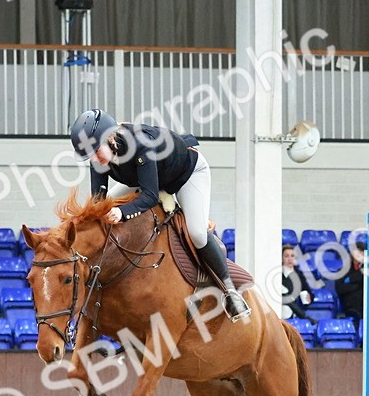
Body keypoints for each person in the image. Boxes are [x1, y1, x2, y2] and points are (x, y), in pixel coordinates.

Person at [69, 108, 251, 323]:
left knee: (197, 233)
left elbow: (149, 195)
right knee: (107, 203)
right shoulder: (98, 159)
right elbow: (98, 202)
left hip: (186, 173)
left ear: (110, 139)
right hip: (146, 177)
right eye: (90, 156)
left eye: (97, 151)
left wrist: (121, 212)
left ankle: (230, 292)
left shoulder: (140, 144)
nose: (96, 159)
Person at [333, 239, 365, 322]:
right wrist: (358, 284)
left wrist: (351, 281)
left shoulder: (367, 270)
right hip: (350, 304)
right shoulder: (343, 270)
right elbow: (340, 289)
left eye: (362, 252)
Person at [280, 245, 315, 320]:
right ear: (282, 259)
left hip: (296, 314)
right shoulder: (278, 275)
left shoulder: (299, 275)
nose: (290, 259)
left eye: (292, 256)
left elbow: (308, 291)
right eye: (286, 256)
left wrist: (309, 297)